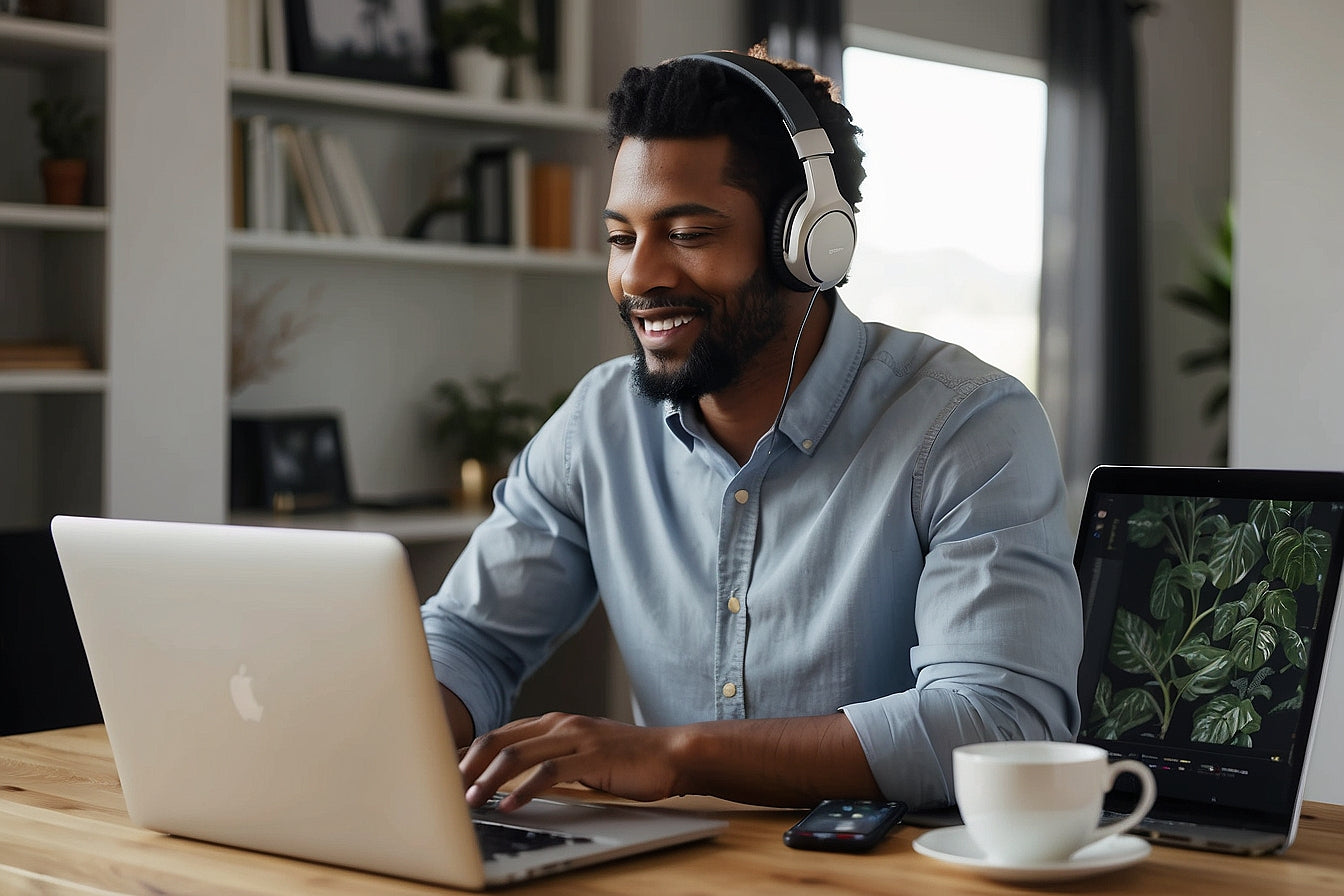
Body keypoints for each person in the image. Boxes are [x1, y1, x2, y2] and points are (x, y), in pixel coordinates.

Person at [420, 47, 1082, 812]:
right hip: (675, 869)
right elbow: (470, 638)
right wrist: (394, 720)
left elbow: (999, 725)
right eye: (620, 238)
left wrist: (677, 755)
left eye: (689, 233)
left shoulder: (967, 425)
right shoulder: (598, 425)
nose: (637, 277)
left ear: (808, 244)